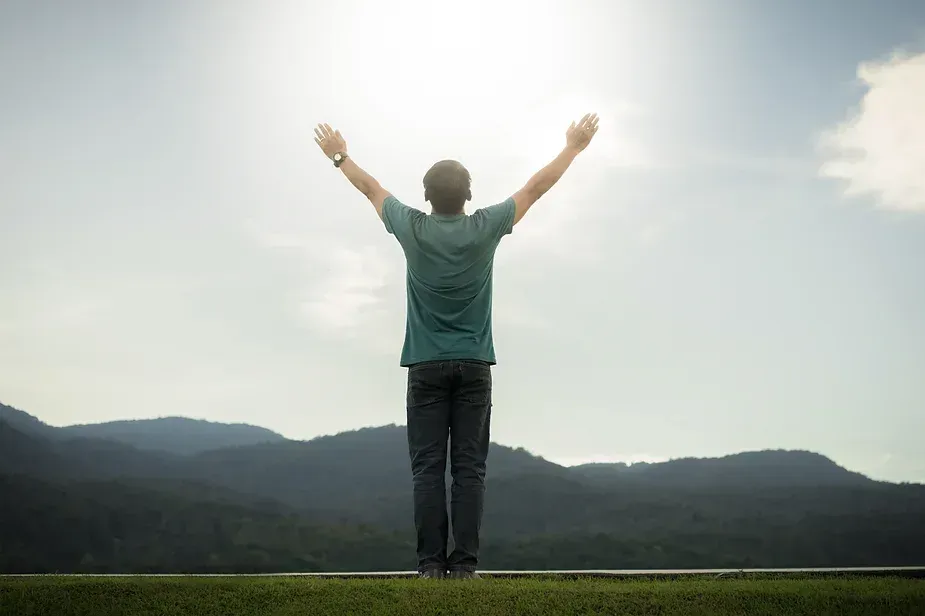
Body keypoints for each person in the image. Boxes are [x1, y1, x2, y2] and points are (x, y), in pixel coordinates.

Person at [312, 113, 599, 579]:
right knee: (469, 470)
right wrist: (573, 148)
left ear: (426, 196)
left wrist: (338, 155)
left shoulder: (412, 227)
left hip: (424, 367)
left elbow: (370, 188)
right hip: (473, 367)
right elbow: (535, 189)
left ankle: (430, 566)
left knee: (428, 469)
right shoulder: (486, 226)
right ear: (468, 195)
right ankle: (463, 566)